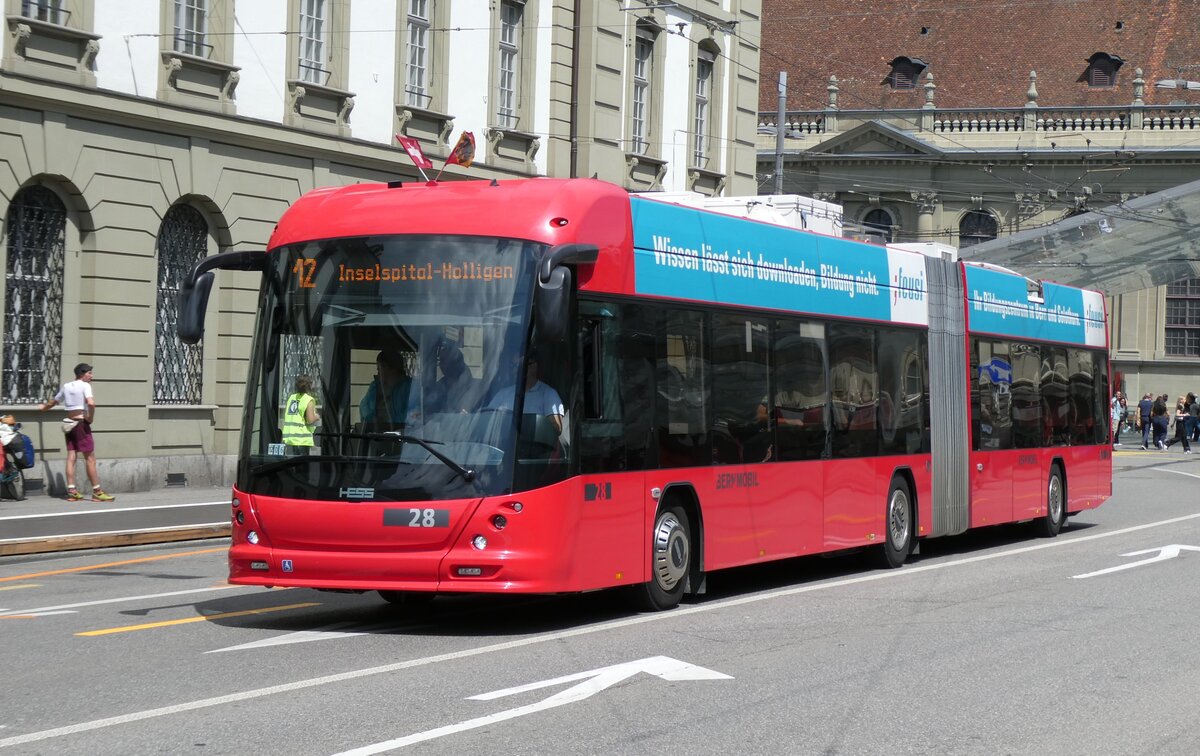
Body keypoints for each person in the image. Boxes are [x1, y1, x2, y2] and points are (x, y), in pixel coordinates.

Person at [39, 363, 114, 502]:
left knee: (71, 456)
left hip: (69, 423)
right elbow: (91, 403)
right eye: (90, 373)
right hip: (80, 424)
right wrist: (90, 417)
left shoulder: (67, 386)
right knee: (90, 458)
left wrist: (43, 408)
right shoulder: (85, 386)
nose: (92, 376)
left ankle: (72, 491)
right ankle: (97, 492)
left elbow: (54, 401)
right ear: (82, 373)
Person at [486, 351, 564, 435]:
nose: (515, 370)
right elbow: (486, 420)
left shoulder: (548, 394)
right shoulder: (503, 393)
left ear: (534, 366)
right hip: (503, 445)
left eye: (519, 366)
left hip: (532, 446)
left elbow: (556, 428)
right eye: (513, 366)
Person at [360, 351, 411, 428]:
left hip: (402, 435)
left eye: (379, 369)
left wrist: (388, 423)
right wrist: (372, 420)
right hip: (375, 434)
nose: (378, 373)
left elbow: (411, 415)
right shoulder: (374, 387)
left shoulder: (409, 387)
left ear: (393, 369)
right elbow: (363, 408)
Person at [282, 375, 320, 452]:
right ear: (310, 385)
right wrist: (317, 416)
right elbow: (310, 420)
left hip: (289, 439)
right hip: (302, 440)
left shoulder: (291, 398)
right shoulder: (308, 400)